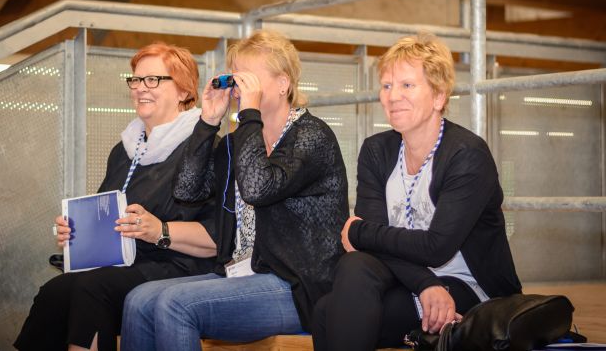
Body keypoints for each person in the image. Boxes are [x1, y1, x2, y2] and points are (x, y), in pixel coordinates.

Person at [121, 29, 349, 351]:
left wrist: (248, 116)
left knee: (175, 304)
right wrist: (208, 122)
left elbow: (258, 187)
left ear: (283, 84)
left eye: (249, 78)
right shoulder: (236, 142)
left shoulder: (311, 136)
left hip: (296, 287)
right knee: (139, 301)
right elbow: (186, 190)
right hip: (239, 275)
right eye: (236, 77)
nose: (239, 88)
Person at [312, 33, 522, 351]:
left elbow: (435, 247)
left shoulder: (467, 154)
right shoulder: (376, 150)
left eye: (407, 85)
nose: (393, 96)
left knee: (328, 313)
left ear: (438, 96)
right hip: (412, 277)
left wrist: (359, 231)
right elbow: (373, 247)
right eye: (386, 86)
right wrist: (425, 284)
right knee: (352, 270)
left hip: (469, 285)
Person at [14, 42, 217, 351]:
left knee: (91, 288)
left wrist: (158, 230)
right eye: (135, 79)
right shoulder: (125, 150)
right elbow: (108, 218)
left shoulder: (205, 148)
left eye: (153, 80)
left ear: (184, 91)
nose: (139, 88)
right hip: (124, 265)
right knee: (53, 292)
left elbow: (218, 238)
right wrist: (76, 234)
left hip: (180, 264)